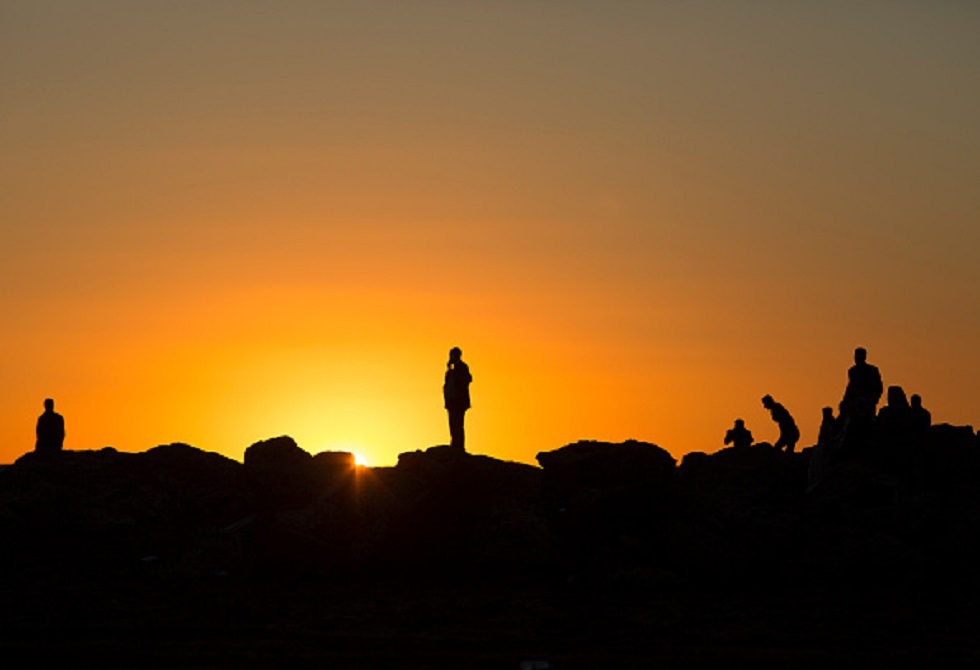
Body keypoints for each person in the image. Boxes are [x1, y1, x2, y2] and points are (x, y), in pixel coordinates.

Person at [842, 347, 883, 422]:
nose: (857, 358)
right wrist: (845, 401)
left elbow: (878, 387)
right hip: (854, 404)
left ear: (864, 357)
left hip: (868, 402)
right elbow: (850, 386)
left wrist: (872, 400)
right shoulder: (852, 371)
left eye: (859, 356)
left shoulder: (872, 370)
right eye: (856, 356)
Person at [443, 347, 472, 451]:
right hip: (451, 402)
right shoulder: (450, 371)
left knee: (458, 424)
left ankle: (459, 446)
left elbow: (468, 379)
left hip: (458, 402)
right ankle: (454, 444)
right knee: (452, 424)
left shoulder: (462, 367)